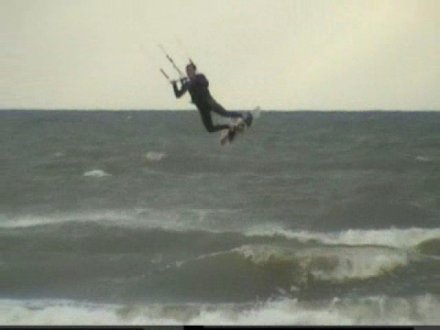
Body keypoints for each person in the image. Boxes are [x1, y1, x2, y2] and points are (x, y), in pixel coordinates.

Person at [172, 62, 252, 140]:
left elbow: (206, 83)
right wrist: (174, 85)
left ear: (194, 70)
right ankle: (229, 126)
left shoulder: (200, 77)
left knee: (225, 113)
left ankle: (244, 116)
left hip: (209, 102)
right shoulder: (187, 84)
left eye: (190, 70)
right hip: (202, 108)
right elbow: (178, 95)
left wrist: (191, 81)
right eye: (187, 71)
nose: (188, 72)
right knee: (210, 129)